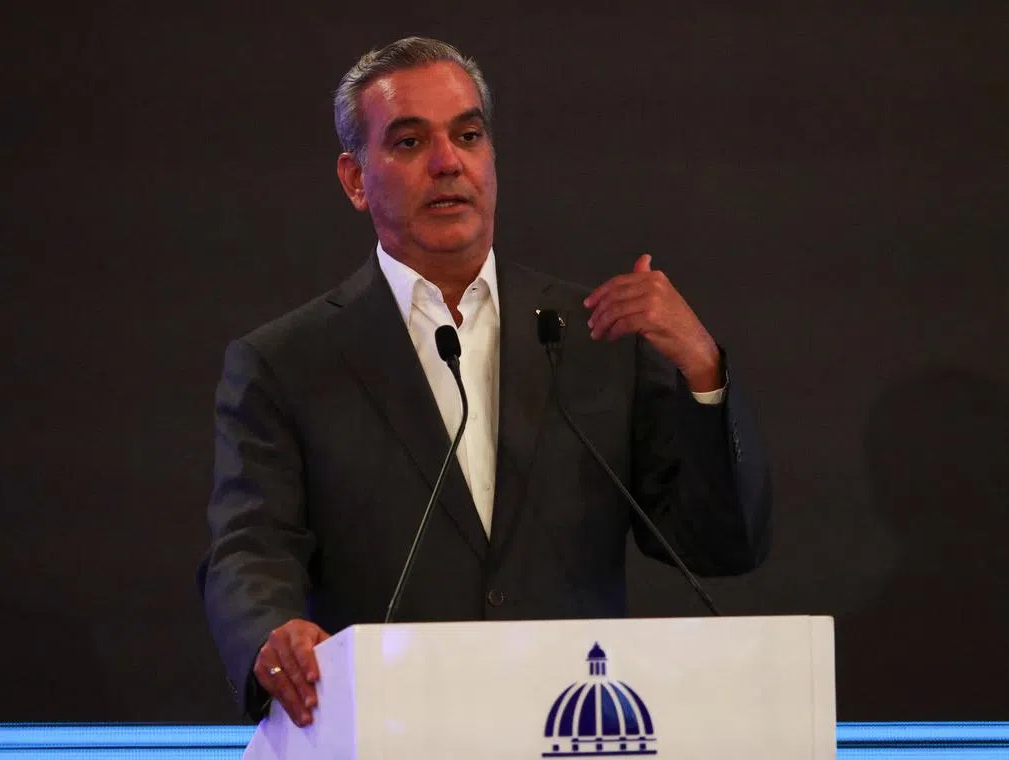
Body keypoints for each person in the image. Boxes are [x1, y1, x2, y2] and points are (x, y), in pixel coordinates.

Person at [197, 36, 771, 727]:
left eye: (467, 134)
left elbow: (720, 545)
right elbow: (251, 547)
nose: (447, 163)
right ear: (354, 179)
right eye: (409, 143)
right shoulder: (287, 362)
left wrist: (702, 370)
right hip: (394, 727)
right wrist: (270, 631)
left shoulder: (597, 337)